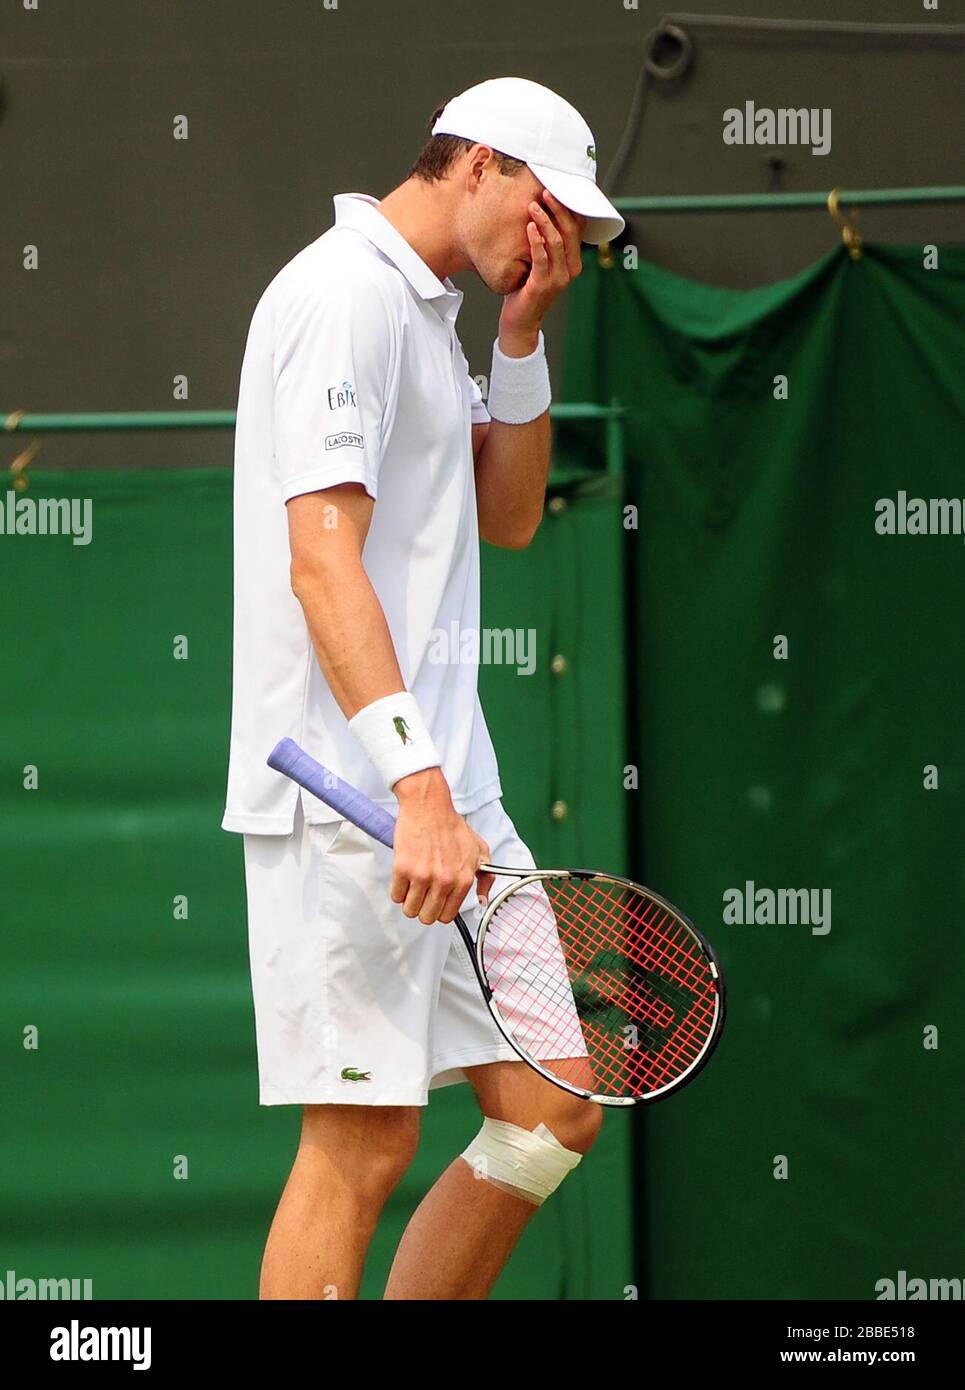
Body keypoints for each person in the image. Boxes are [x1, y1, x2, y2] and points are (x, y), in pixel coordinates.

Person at [222, 76, 625, 1300]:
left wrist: (517, 339)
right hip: (355, 801)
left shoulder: (434, 312)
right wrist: (413, 781)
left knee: (553, 1106)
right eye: (546, 208)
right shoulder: (340, 296)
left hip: (449, 794)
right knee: (359, 1147)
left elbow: (506, 520)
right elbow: (319, 561)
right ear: (479, 166)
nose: (554, 242)